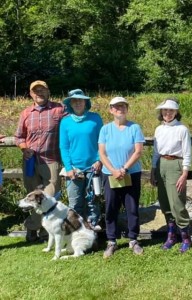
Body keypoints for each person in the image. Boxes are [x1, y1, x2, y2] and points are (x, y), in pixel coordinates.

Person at [15, 80, 65, 242]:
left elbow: (73, 125)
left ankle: (40, 229)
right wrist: (24, 148)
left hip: (51, 161)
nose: (39, 93)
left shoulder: (59, 109)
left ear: (48, 91)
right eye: (35, 91)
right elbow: (19, 137)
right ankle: (33, 230)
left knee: (49, 198)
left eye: (42, 90)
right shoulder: (26, 113)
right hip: (31, 162)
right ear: (31, 94)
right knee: (32, 198)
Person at [99, 96, 145, 258]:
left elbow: (138, 151)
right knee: (111, 207)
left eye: (123, 106)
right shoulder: (105, 129)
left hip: (131, 173)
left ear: (127, 109)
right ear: (111, 110)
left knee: (132, 207)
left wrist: (124, 168)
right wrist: (113, 170)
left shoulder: (134, 128)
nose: (120, 109)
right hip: (110, 174)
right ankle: (111, 240)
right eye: (116, 107)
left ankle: (133, 239)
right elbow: (102, 153)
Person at [150, 99, 192, 253]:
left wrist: (184, 173)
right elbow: (155, 151)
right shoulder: (159, 129)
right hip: (162, 163)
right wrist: (153, 169)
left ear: (176, 112)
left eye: (171, 111)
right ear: (161, 112)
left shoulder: (182, 129)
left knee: (177, 202)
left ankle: (185, 236)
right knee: (164, 202)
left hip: (176, 164)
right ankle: (171, 235)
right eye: (165, 111)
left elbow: (187, 152)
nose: (167, 113)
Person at [59, 89, 103, 230]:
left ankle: (93, 229)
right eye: (74, 100)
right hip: (74, 169)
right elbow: (64, 147)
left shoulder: (95, 119)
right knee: (75, 202)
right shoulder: (65, 122)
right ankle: (76, 231)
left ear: (86, 102)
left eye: (80, 100)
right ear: (70, 103)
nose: (78, 103)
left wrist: (99, 160)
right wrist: (68, 168)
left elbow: (101, 142)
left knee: (93, 200)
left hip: (93, 167)